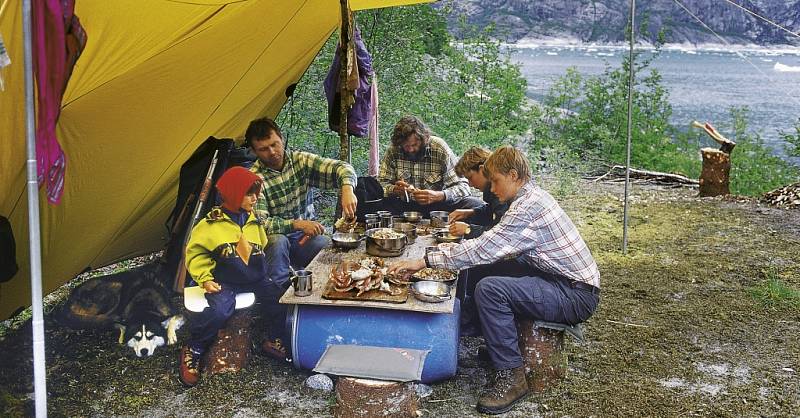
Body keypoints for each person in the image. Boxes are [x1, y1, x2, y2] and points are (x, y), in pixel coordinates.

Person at [389, 146, 600, 415]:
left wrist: (424, 260)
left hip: (575, 294)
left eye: (497, 181)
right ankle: (498, 341)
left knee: (490, 290)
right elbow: (490, 251)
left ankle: (512, 376)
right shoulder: (529, 198)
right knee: (488, 270)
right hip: (558, 280)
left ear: (513, 175)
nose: (493, 189)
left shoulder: (527, 208)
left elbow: (483, 248)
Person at [179, 167, 289, 387]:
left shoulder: (254, 221)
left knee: (277, 297)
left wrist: (259, 270)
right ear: (232, 195)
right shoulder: (210, 225)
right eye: (250, 193)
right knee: (220, 310)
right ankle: (195, 347)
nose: (256, 198)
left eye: (257, 193)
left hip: (254, 277)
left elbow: (262, 245)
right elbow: (195, 253)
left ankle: (273, 339)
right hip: (224, 280)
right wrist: (204, 278)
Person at [246, 117, 358, 288]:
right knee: (277, 242)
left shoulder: (300, 161)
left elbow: (343, 167)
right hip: (275, 242)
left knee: (325, 245)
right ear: (254, 151)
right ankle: (279, 297)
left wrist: (347, 189)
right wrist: (297, 224)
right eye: (263, 149)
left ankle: (324, 290)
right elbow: (260, 224)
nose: (272, 152)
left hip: (306, 238)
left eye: (274, 144)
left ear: (281, 138)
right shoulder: (254, 178)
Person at [377, 115, 483, 216]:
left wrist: (439, 196)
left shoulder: (439, 148)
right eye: (406, 146)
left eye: (414, 145)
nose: (410, 150)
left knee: (475, 204)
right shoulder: (394, 150)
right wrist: (394, 190)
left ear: (425, 138)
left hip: (438, 206)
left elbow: (463, 188)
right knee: (375, 203)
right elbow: (379, 185)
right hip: (404, 206)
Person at [447, 146, 509, 239]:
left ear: (482, 170)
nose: (470, 184)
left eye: (470, 178)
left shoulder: (501, 191)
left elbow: (499, 235)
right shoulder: (490, 190)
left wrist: (468, 229)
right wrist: (470, 212)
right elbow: (492, 211)